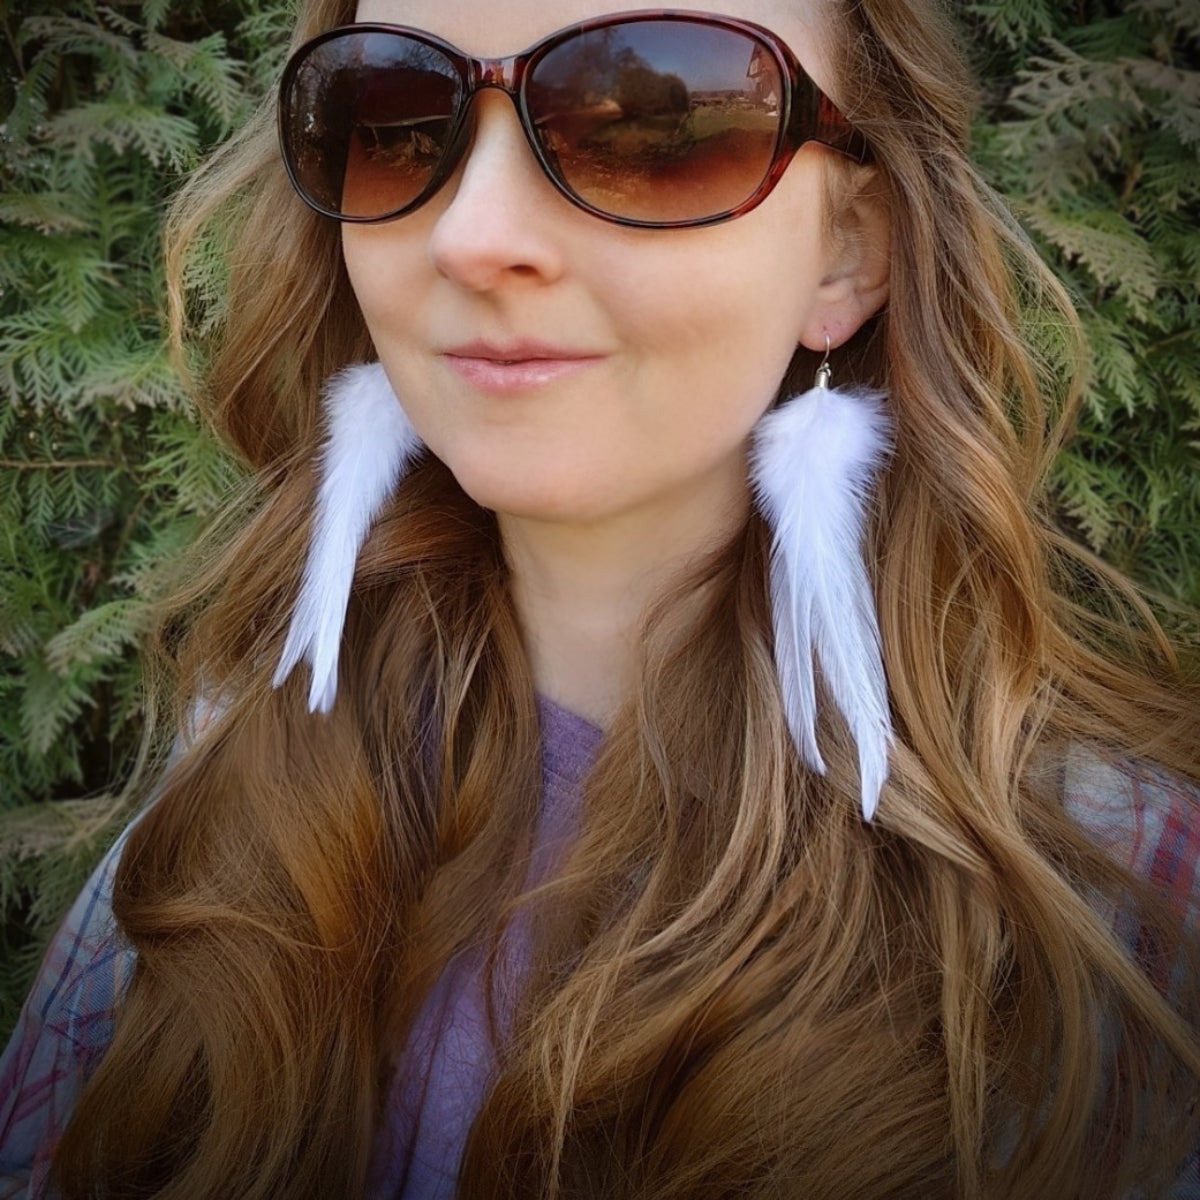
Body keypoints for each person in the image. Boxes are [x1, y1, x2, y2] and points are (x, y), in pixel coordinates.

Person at [2, 0, 1199, 1196]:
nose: (470, 237)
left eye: (650, 129)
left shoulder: (1118, 918)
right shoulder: (226, 796)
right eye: (398, 121)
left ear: (848, 251)